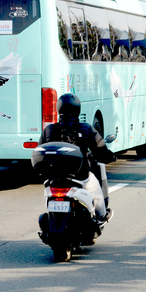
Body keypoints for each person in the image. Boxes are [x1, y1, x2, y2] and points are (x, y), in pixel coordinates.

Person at [39, 93, 114, 223]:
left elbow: (40, 151)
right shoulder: (86, 129)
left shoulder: (49, 129)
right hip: (80, 176)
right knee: (97, 194)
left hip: (53, 178)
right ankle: (102, 216)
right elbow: (100, 148)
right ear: (77, 109)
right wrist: (110, 157)